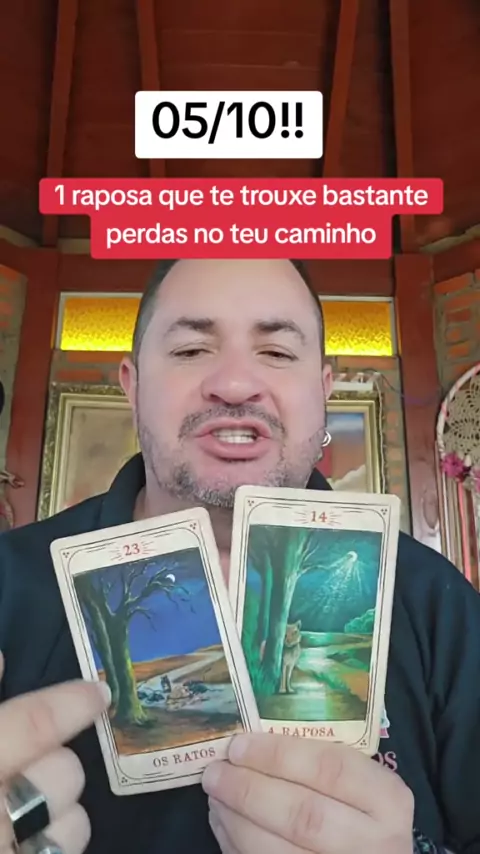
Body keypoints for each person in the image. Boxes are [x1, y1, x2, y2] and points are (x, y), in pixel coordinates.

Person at [0, 258, 478, 854]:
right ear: (132, 385)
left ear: (324, 390)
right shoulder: (9, 585)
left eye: (276, 352)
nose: (233, 384)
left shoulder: (437, 602)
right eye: (190, 350)